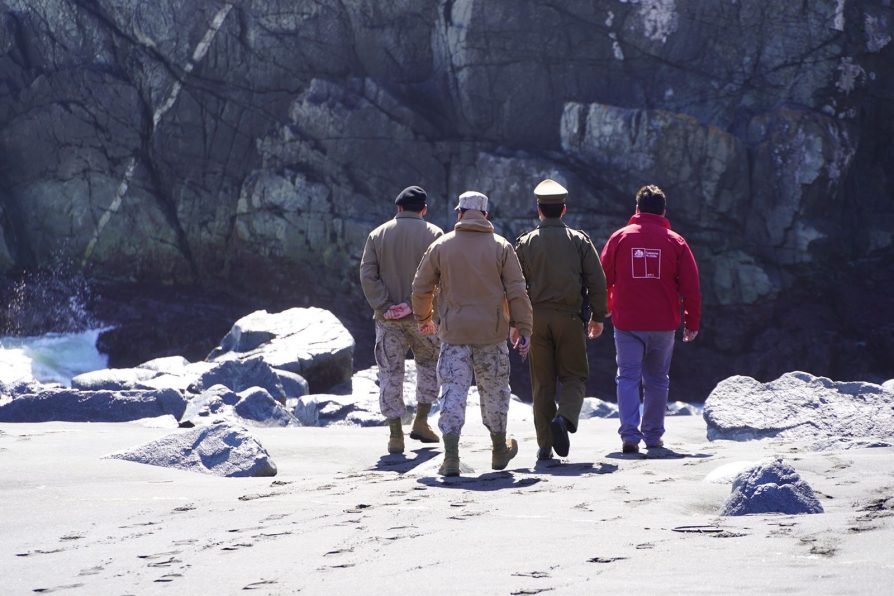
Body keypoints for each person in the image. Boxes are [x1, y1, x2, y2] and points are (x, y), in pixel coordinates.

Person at [412, 191, 533, 477]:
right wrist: (523, 328)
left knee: (453, 392)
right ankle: (498, 449)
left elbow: (421, 287)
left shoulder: (441, 246)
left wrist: (424, 318)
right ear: (486, 215)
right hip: (491, 334)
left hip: (454, 333)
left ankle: (451, 456)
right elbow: (517, 291)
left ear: (460, 213)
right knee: (495, 392)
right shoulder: (501, 247)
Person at [600, 184, 701, 454]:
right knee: (657, 380)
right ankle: (654, 436)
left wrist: (603, 309)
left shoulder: (620, 238)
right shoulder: (676, 241)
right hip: (663, 324)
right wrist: (692, 322)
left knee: (628, 377)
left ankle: (630, 436)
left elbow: (602, 279)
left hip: (628, 323)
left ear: (637, 209)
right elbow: (691, 287)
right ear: (664, 210)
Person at [514, 179, 608, 460]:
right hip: (569, 319)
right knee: (575, 376)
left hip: (536, 319)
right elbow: (597, 281)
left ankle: (544, 446)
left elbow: (515, 286)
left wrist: (517, 324)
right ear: (564, 210)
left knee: (542, 383)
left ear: (539, 210)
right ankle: (564, 418)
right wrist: (598, 316)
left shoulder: (525, 243)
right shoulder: (579, 241)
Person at [359, 185, 444, 455]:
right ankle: (421, 421)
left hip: (387, 319)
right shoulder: (435, 235)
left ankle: (396, 435)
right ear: (424, 210)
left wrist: (386, 305)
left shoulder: (377, 235)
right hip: (425, 317)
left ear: (398, 209)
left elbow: (367, 276)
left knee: (390, 372)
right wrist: (413, 305)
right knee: (429, 365)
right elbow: (441, 278)